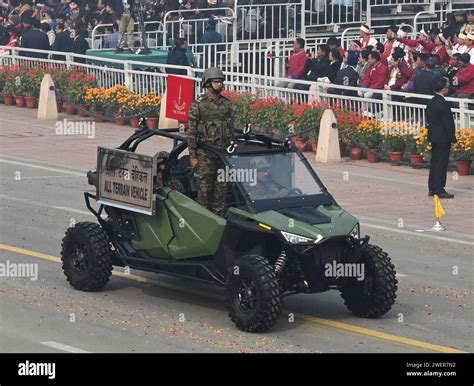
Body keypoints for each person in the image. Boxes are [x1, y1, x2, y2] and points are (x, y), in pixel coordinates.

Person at [187, 67, 234, 216]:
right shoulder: (198, 105)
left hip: (222, 155)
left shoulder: (226, 104)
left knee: (221, 191)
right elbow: (192, 131)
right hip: (205, 155)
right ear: (207, 84)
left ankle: (218, 219)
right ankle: (203, 221)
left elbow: (230, 127)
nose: (220, 84)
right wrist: (193, 156)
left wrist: (232, 145)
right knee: (204, 192)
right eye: (216, 82)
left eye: (221, 82)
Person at [426, 78, 456, 199]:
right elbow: (448, 123)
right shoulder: (443, 104)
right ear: (443, 88)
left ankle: (432, 187)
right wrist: (453, 139)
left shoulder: (431, 102)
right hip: (443, 138)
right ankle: (439, 189)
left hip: (434, 136)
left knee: (434, 162)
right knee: (441, 163)